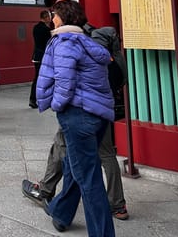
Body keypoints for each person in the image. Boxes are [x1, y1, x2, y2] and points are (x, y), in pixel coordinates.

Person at [22, 24, 129, 220]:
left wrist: (57, 104)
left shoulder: (87, 53)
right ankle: (117, 204)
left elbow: (66, 80)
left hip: (80, 111)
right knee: (106, 155)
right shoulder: (111, 57)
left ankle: (46, 191)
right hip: (104, 111)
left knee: (62, 148)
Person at [36, 0, 116, 236]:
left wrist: (57, 105)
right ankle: (61, 212)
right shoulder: (87, 42)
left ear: (62, 17)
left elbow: (64, 80)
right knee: (74, 165)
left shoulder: (63, 42)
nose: (52, 18)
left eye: (54, 14)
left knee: (89, 178)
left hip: (77, 114)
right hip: (99, 113)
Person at [29, 9, 52, 108]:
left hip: (36, 56)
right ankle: (43, 98)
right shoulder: (46, 30)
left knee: (37, 78)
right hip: (44, 56)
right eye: (50, 17)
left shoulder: (35, 27)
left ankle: (33, 99)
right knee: (46, 78)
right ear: (46, 17)